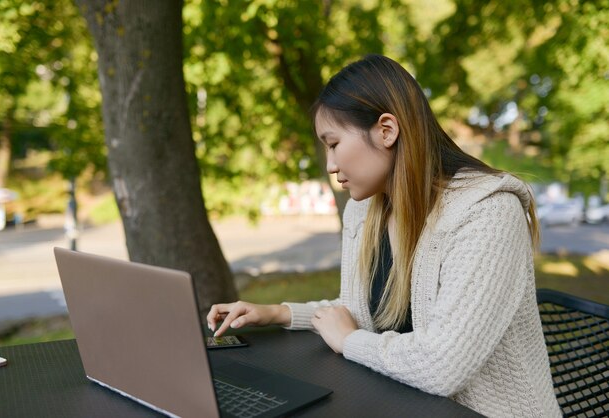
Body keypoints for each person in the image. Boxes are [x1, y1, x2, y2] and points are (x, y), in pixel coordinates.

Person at [207, 54, 561, 417]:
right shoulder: (364, 210)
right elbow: (354, 314)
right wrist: (278, 313)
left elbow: (440, 365)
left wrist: (349, 342)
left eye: (333, 143)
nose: (330, 165)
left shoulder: (487, 212)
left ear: (387, 130)